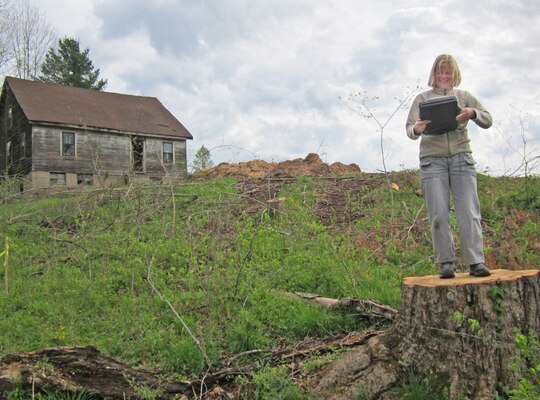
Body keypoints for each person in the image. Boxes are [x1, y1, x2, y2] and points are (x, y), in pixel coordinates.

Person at [406, 54, 492, 279]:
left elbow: (487, 118)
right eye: (440, 72)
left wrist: (472, 113)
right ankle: (446, 262)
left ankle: (476, 262)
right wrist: (418, 128)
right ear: (433, 74)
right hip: (432, 162)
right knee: (439, 214)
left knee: (469, 213)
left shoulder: (464, 96)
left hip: (462, 159)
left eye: (448, 72)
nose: (444, 76)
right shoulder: (421, 99)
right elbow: (409, 130)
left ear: (455, 75)